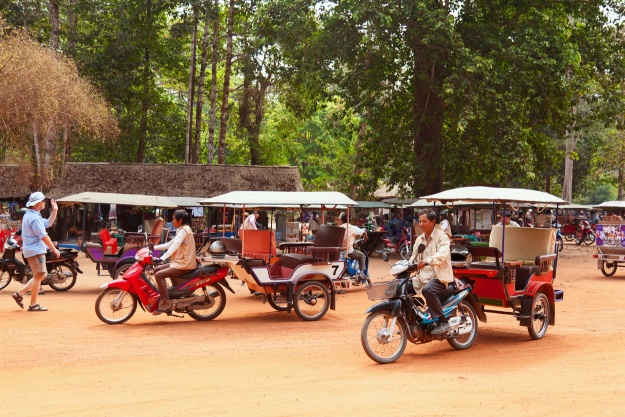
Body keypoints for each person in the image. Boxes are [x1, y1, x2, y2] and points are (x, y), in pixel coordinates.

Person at [11, 192, 60, 312]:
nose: (44, 203)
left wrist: (55, 211)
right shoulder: (33, 217)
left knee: (39, 275)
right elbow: (43, 236)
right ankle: (32, 304)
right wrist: (54, 249)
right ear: (38, 204)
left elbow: (48, 223)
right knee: (40, 276)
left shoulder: (33, 215)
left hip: (34, 250)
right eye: (43, 201)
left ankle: (20, 294)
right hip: (35, 251)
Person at [409, 209, 454, 335]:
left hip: (438, 275)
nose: (421, 224)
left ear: (433, 221)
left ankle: (442, 321)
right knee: (402, 288)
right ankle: (411, 320)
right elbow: (413, 257)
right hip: (422, 276)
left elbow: (441, 255)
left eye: (424, 221)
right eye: (420, 222)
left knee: (427, 290)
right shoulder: (419, 240)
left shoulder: (442, 237)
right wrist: (407, 264)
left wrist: (427, 261)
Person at [152, 209, 197, 314]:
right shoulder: (182, 229)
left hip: (184, 264)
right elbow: (170, 244)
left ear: (180, 220)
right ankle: (168, 292)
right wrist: (153, 248)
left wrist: (161, 258)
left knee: (159, 275)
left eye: (173, 219)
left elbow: (175, 246)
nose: (172, 222)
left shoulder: (184, 231)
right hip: (180, 262)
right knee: (157, 269)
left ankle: (165, 302)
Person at [337, 212, 368, 281]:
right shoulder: (353, 228)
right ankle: (361, 273)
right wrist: (365, 237)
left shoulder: (339, 228)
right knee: (362, 256)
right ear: (350, 220)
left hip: (339, 251)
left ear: (342, 220)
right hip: (349, 252)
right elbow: (364, 232)